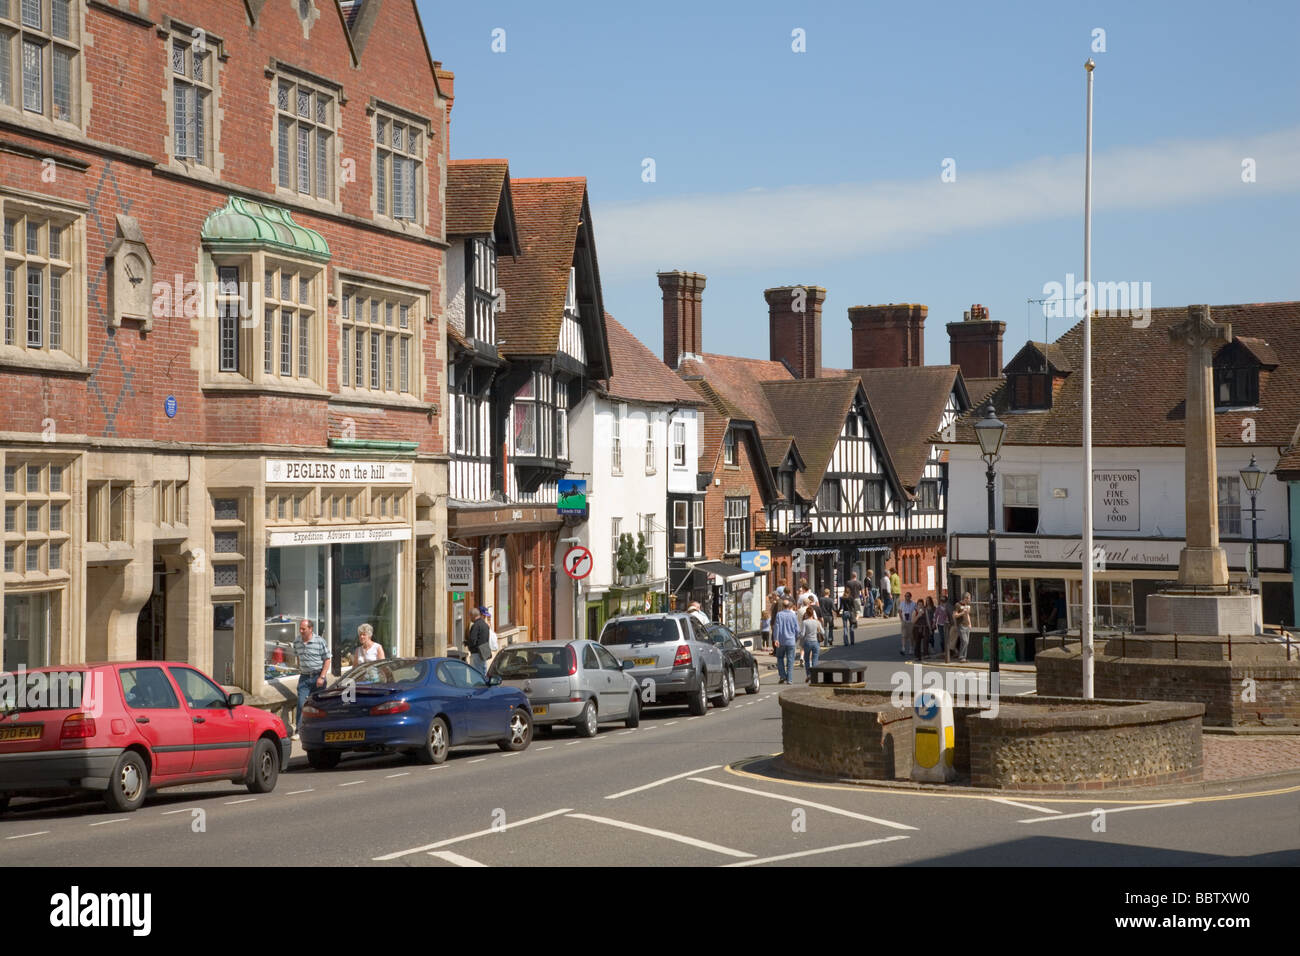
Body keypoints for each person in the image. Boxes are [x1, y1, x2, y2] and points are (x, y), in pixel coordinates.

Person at [292, 618, 330, 738]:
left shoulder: (319, 641)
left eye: (303, 629)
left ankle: (321, 729)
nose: (301, 631)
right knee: (301, 704)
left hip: (318, 676)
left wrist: (322, 677)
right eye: (300, 628)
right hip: (304, 677)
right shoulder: (297, 641)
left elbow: (327, 659)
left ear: (310, 629)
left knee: (319, 705)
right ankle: (299, 731)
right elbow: (297, 656)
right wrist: (302, 668)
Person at [773, 599, 799, 684]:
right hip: (791, 641)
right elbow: (797, 629)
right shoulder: (793, 615)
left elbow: (776, 627)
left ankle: (783, 676)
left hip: (781, 641)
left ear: (783, 606)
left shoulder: (779, 615)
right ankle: (789, 679)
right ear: (790, 606)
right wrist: (795, 638)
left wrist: (776, 639)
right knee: (790, 660)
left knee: (780, 658)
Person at [800, 605, 823, 680]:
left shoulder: (804, 622)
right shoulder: (817, 622)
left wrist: (799, 636)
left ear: (806, 614)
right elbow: (823, 632)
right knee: (815, 660)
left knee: (807, 660)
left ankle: (808, 674)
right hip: (816, 642)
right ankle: (814, 676)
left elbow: (802, 634)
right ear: (813, 614)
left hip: (807, 642)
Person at [465, 606, 491, 673]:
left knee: (476, 673)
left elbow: (473, 640)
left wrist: (467, 643)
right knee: (483, 671)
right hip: (484, 652)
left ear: (473, 616)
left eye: (470, 616)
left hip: (476, 653)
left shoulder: (476, 625)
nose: (470, 618)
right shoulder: (485, 625)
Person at [951, 592, 973, 662]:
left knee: (966, 642)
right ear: (965, 598)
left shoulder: (967, 605)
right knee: (965, 641)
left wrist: (970, 623)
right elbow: (955, 615)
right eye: (969, 598)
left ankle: (964, 658)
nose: (970, 600)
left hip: (967, 625)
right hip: (961, 625)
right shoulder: (957, 605)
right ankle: (961, 656)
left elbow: (967, 615)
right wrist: (962, 613)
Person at [899, 591, 916, 656]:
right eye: (905, 596)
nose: (906, 597)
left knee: (911, 636)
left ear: (910, 597)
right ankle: (903, 648)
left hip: (911, 622)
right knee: (903, 635)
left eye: (908, 596)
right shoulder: (902, 603)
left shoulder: (913, 604)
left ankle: (911, 649)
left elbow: (916, 611)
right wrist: (901, 620)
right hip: (904, 621)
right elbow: (900, 611)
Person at [934, 593, 950, 659]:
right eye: (941, 601)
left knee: (947, 638)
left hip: (947, 625)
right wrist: (934, 623)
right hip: (940, 624)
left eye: (944, 601)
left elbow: (950, 615)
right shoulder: (938, 608)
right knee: (942, 638)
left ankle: (948, 651)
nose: (942, 602)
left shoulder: (948, 608)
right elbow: (935, 616)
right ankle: (943, 651)